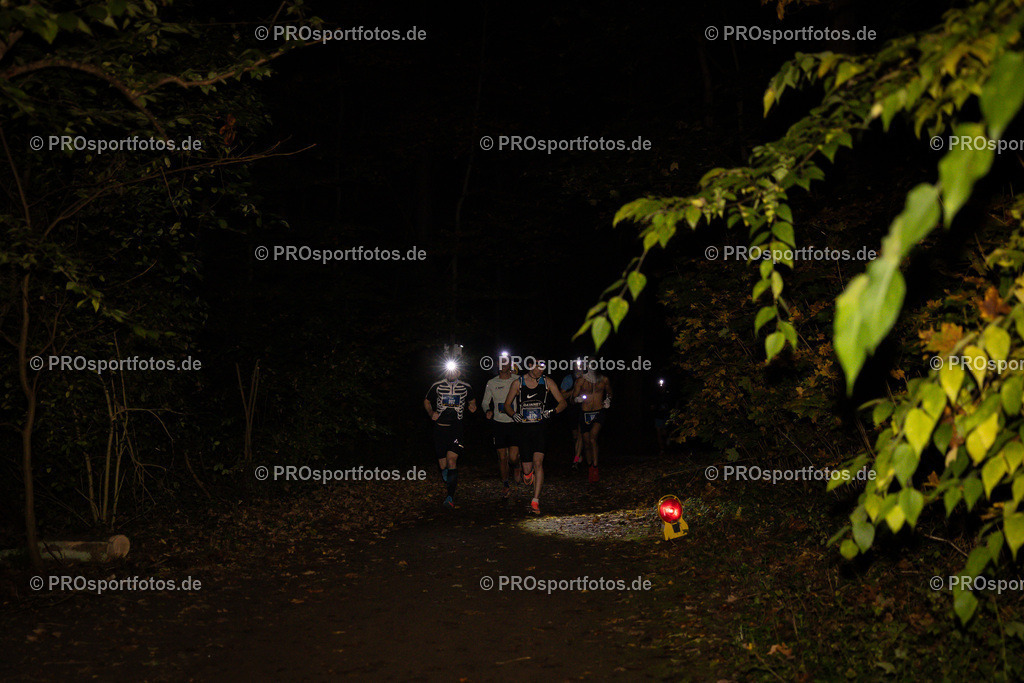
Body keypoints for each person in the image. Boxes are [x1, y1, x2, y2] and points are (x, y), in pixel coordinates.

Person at [504, 360, 567, 514]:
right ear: (530, 366)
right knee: (528, 469)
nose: (540, 371)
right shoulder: (518, 383)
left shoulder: (547, 382)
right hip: (523, 429)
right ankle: (525, 472)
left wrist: (551, 412)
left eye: (543, 368)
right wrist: (514, 415)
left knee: (538, 463)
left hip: (540, 428)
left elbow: (563, 402)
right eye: (537, 368)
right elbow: (506, 405)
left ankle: (535, 501)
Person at [423, 360, 477, 509]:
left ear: (459, 372)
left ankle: (450, 497)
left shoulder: (466, 387)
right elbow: (427, 401)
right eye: (449, 370)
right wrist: (431, 412)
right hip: (440, 429)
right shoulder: (437, 385)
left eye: (455, 371)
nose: (452, 373)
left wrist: (472, 406)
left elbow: (472, 401)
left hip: (456, 428)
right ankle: (447, 475)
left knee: (452, 461)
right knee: (443, 465)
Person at [482, 355, 520, 498]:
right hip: (498, 423)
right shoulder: (491, 382)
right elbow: (485, 402)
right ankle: (505, 484)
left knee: (513, 457)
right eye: (500, 362)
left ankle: (517, 465)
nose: (503, 364)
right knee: (502, 457)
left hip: (514, 423)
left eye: (506, 362)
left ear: (510, 364)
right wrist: (488, 410)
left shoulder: (516, 380)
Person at [573, 368, 611, 482]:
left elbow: (610, 391)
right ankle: (590, 467)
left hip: (599, 412)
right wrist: (577, 399)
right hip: (585, 413)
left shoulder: (604, 379)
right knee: (586, 442)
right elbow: (572, 398)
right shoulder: (581, 381)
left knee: (593, 438)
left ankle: (595, 467)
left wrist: (608, 399)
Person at [560, 365, 584, 470]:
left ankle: (576, 459)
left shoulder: (588, 378)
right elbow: (562, 396)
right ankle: (576, 454)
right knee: (575, 436)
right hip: (573, 409)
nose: (579, 367)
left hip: (585, 409)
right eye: (577, 365)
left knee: (581, 433)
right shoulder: (568, 379)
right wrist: (575, 390)